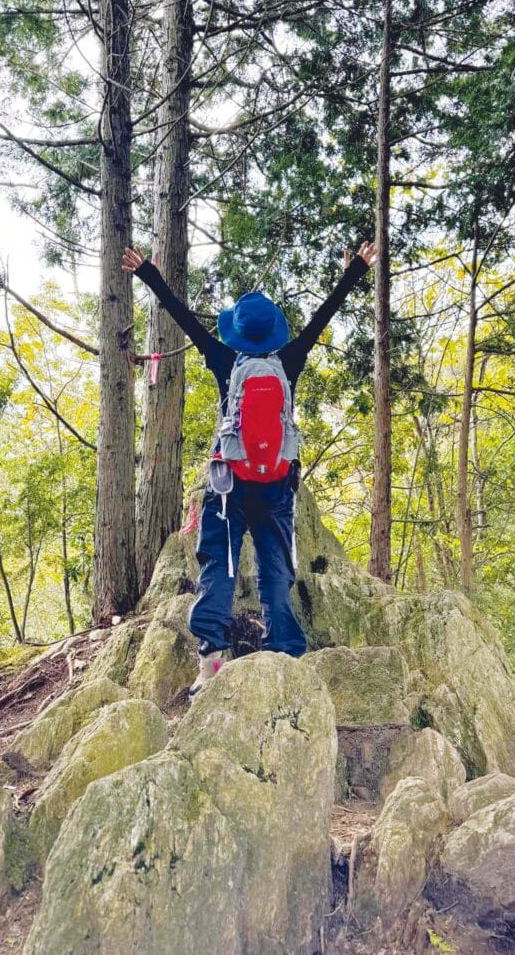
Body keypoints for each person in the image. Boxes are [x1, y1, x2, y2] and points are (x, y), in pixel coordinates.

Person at [122, 239, 378, 698]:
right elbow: (325, 315)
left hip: (228, 484)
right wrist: (356, 268)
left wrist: (148, 274)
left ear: (237, 334)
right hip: (278, 483)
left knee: (218, 564)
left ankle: (212, 664)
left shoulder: (224, 360)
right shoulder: (290, 360)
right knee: (276, 566)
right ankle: (283, 655)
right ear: (275, 332)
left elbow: (181, 317)